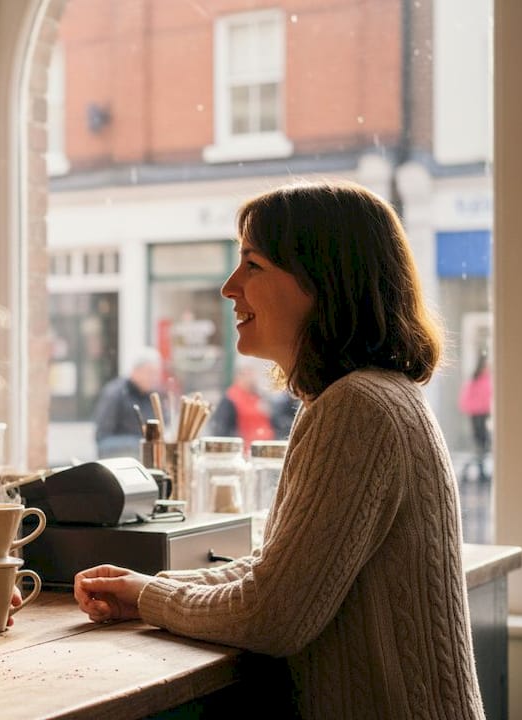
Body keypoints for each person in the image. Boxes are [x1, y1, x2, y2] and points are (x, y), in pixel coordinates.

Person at [73, 180, 484, 719]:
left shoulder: (357, 407)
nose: (228, 287)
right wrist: (148, 588)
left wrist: (151, 597)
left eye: (253, 265)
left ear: (322, 282)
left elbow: (273, 612)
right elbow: (277, 572)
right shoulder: (370, 396)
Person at [92, 347, 167, 459]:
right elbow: (102, 440)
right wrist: (141, 444)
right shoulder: (115, 394)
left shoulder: (155, 395)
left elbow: (165, 426)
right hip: (121, 464)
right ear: (135, 371)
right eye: (150, 372)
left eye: (156, 373)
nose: (154, 378)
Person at [208, 356, 275, 448]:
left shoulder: (259, 397)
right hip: (245, 449)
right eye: (247, 375)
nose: (251, 379)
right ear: (238, 377)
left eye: (251, 374)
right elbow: (222, 429)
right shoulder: (230, 399)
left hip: (265, 446)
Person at [457, 350, 492, 482]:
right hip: (477, 416)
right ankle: (476, 470)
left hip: (484, 415)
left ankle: (481, 470)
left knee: (483, 445)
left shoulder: (487, 378)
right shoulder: (475, 380)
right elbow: (465, 399)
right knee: (480, 445)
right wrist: (476, 408)